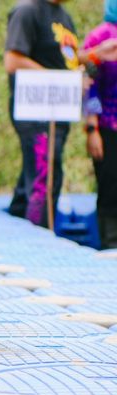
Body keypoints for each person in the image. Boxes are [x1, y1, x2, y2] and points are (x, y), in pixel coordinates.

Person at [4, 0, 117, 227]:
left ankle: (17, 222)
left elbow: (67, 62)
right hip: (35, 111)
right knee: (44, 178)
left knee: (40, 174)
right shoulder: (28, 11)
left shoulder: (63, 16)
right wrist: (62, 81)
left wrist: (94, 55)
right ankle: (38, 238)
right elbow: (13, 60)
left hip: (59, 111)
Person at [83, 0, 117, 248]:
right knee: (109, 186)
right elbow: (89, 87)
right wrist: (92, 128)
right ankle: (110, 243)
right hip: (108, 125)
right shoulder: (100, 36)